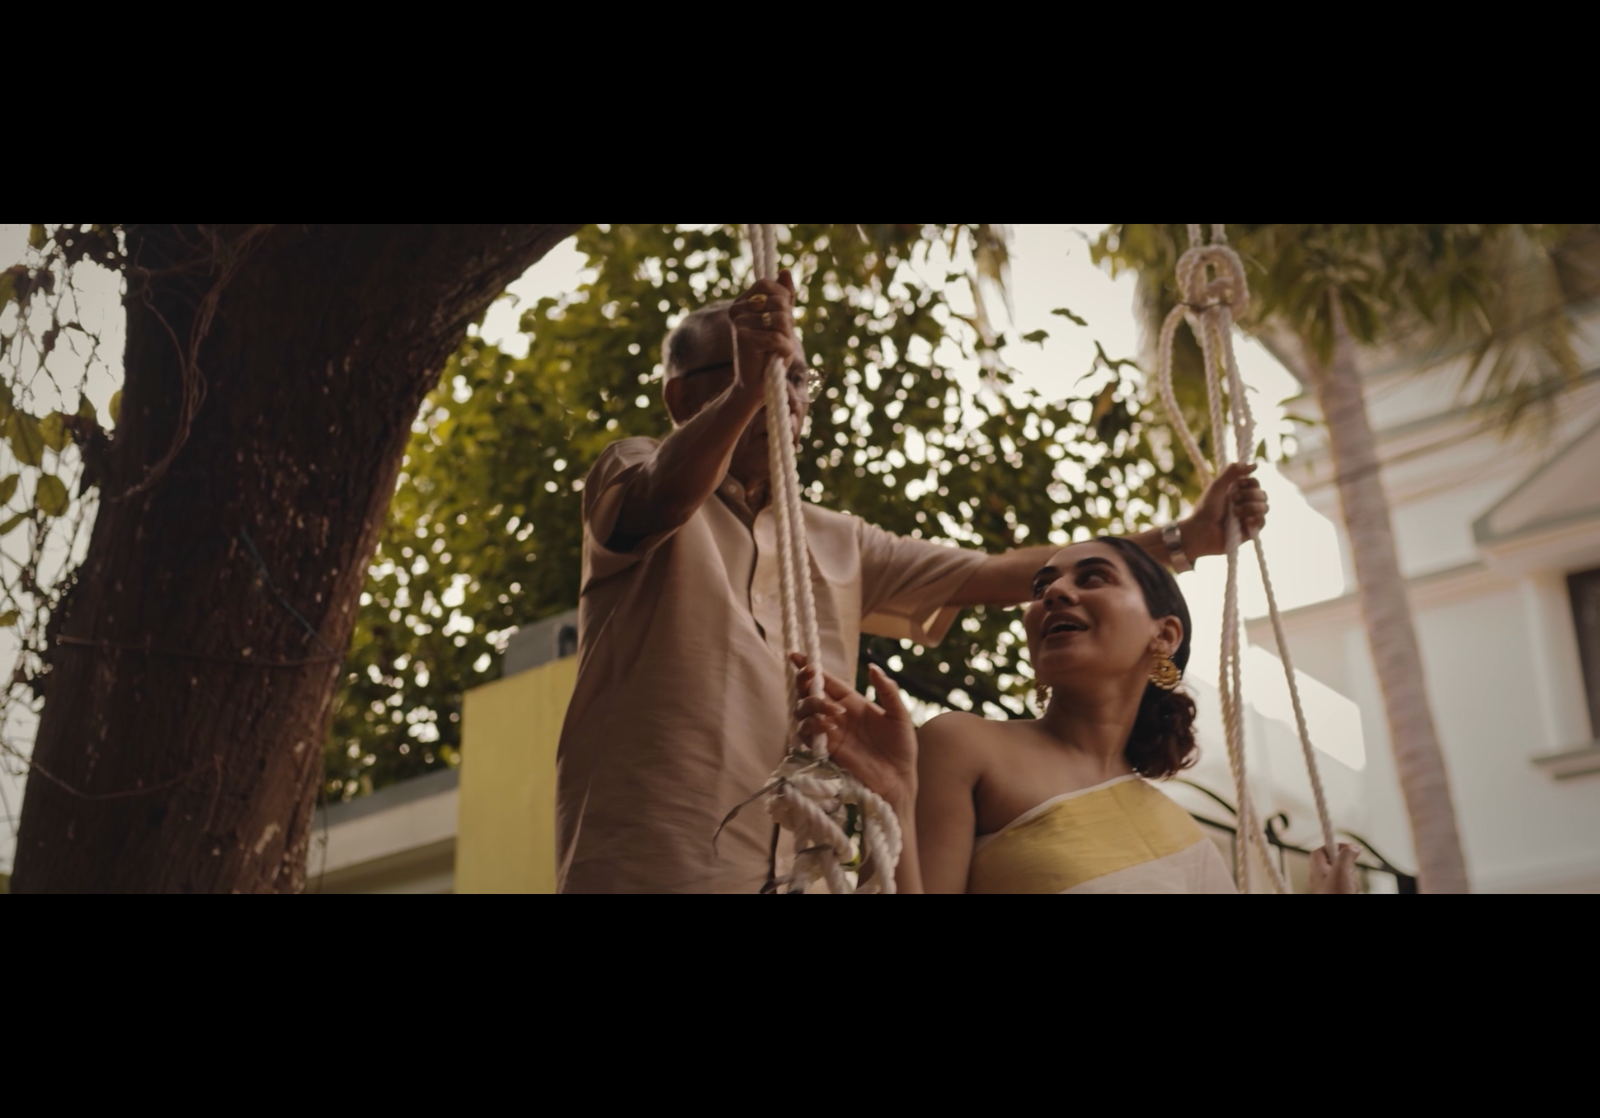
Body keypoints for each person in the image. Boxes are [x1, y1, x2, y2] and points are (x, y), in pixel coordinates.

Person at [557, 272, 1270, 894]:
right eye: (753, 366)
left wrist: (1186, 540)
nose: (784, 393)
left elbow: (994, 572)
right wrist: (748, 388)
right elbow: (661, 495)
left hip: (807, 874)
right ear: (680, 394)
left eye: (798, 377)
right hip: (652, 863)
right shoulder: (634, 468)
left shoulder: (839, 539)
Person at [795, 536, 1362, 894]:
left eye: (1092, 578)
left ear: (1164, 635)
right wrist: (894, 794)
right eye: (1043, 585)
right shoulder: (964, 745)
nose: (1055, 593)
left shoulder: (1186, 837)